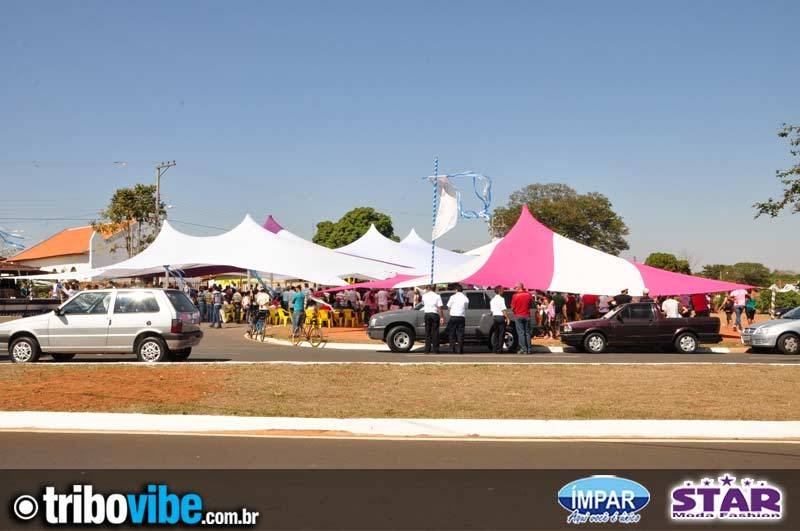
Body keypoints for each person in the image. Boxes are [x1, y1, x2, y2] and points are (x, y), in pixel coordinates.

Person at [510, 283, 534, 354]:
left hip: (518, 315)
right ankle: (529, 349)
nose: (515, 289)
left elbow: (512, 307)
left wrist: (514, 310)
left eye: (515, 287)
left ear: (518, 287)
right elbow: (531, 304)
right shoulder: (528, 294)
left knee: (521, 333)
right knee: (527, 333)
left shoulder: (515, 296)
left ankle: (523, 349)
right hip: (527, 315)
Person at [421, 285, 444, 354]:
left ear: (428, 288)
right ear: (435, 289)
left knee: (427, 332)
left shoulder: (424, 296)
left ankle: (427, 349)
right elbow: (440, 307)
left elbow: (423, 303)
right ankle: (435, 349)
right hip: (434, 314)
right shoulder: (437, 296)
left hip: (427, 314)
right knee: (435, 332)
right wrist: (442, 317)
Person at [446, 285, 469, 354]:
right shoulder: (465, 298)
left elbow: (448, 306)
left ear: (456, 290)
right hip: (461, 317)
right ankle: (460, 350)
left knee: (452, 333)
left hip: (453, 317)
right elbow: (466, 308)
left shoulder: (452, 297)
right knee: (460, 334)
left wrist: (451, 310)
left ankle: (452, 349)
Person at [490, 286, 510, 353]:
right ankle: (499, 349)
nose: (503, 291)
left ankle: (494, 349)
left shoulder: (492, 300)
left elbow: (492, 310)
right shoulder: (501, 299)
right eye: (502, 290)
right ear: (499, 291)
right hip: (501, 317)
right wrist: (507, 318)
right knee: (501, 334)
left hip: (495, 317)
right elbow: (503, 309)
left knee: (496, 333)